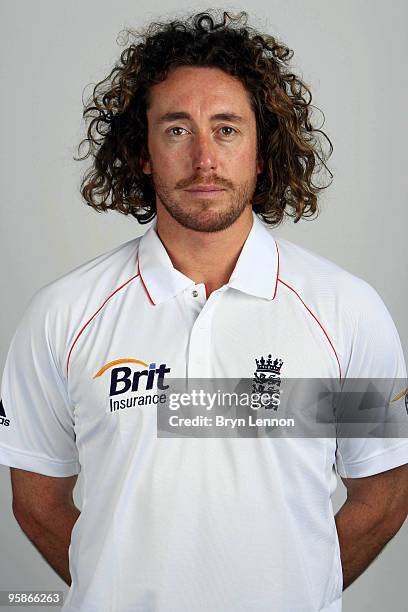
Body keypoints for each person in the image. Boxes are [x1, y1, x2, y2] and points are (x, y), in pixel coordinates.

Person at [1, 10, 407, 612]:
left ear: (261, 152)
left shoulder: (346, 312)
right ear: (142, 154)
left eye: (226, 129)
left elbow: (385, 489)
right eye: (175, 129)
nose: (203, 159)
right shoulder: (64, 315)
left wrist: (299, 591)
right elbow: (36, 498)